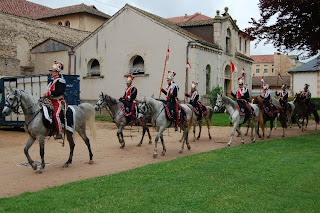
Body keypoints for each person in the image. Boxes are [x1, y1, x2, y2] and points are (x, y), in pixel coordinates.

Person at [43, 61, 66, 140]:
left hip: (58, 101)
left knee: (55, 115)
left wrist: (49, 93)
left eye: (52, 71)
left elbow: (59, 92)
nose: (51, 73)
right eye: (51, 71)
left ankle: (59, 132)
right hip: (50, 101)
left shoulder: (60, 81)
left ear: (57, 72)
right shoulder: (51, 82)